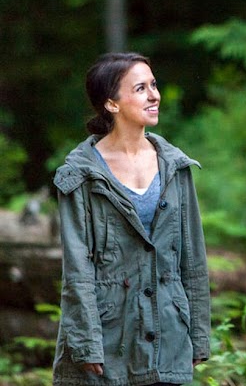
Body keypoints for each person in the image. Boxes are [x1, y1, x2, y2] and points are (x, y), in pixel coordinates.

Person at [52, 53, 211, 385]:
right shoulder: (80, 174)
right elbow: (77, 270)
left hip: (169, 337)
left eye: (154, 85)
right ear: (111, 103)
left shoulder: (175, 167)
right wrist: (87, 344)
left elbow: (193, 259)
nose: (154, 96)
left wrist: (198, 335)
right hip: (109, 343)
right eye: (141, 89)